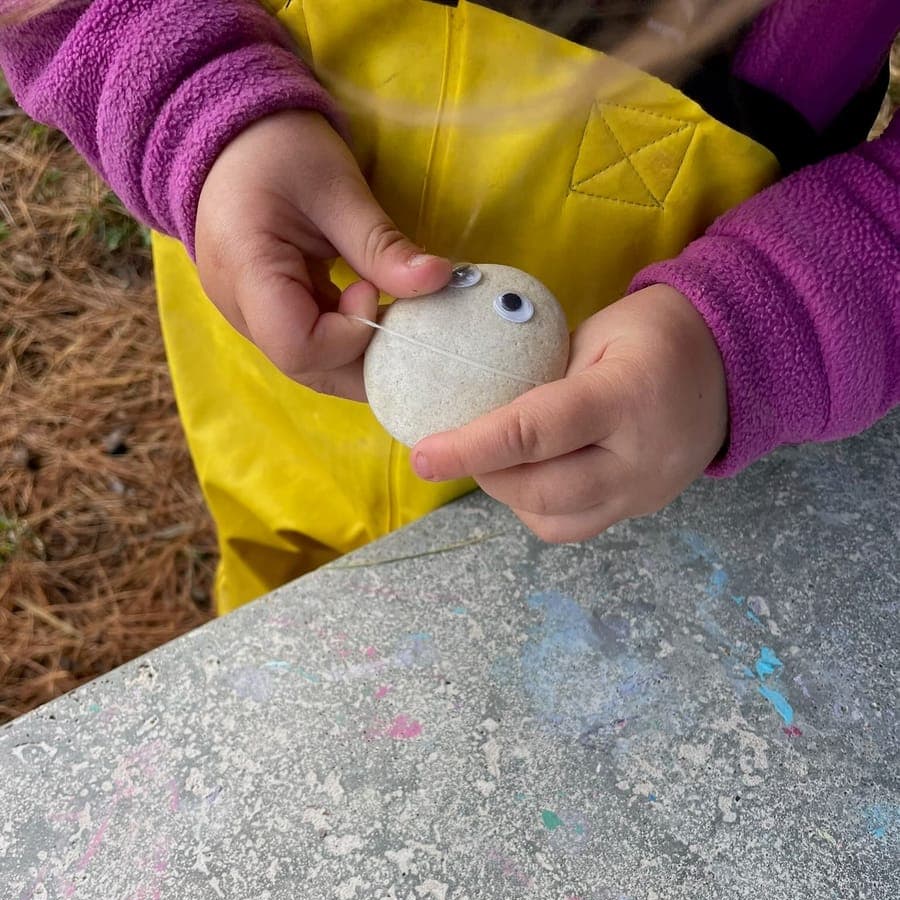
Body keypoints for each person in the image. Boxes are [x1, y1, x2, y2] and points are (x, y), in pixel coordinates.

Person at [1, 0, 897, 611]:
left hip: (660, 439)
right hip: (271, 315)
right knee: (287, 583)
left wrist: (761, 324)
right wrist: (189, 104)